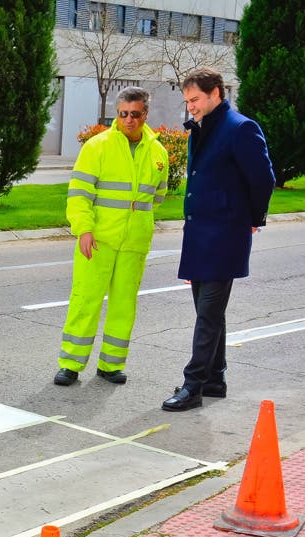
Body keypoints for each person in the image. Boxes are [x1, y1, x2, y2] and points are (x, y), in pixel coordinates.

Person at [161, 67, 275, 411]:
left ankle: (193, 385)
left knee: (208, 314)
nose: (190, 107)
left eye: (195, 100)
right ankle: (215, 378)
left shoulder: (241, 128)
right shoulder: (203, 128)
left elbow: (264, 178)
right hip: (200, 235)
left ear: (216, 94)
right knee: (208, 311)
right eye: (187, 101)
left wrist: (254, 219)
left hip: (224, 235)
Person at [55, 86, 169, 387]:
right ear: (116, 113)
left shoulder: (158, 152)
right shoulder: (97, 147)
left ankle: (111, 365)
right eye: (122, 114)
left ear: (145, 114)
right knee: (85, 300)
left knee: (124, 304)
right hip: (98, 240)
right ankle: (70, 364)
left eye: (135, 114)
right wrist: (84, 229)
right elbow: (79, 194)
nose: (128, 120)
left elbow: (158, 196)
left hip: (134, 242)